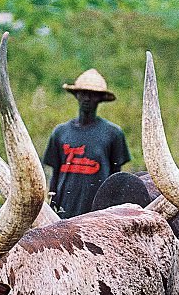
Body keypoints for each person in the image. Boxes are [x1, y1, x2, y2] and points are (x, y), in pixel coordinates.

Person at [42, 69, 131, 218]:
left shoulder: (113, 133)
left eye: (93, 94)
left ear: (100, 98)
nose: (87, 98)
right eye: (83, 93)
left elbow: (116, 178)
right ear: (77, 95)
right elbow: (55, 175)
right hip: (65, 210)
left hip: (98, 212)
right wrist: (52, 206)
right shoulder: (60, 132)